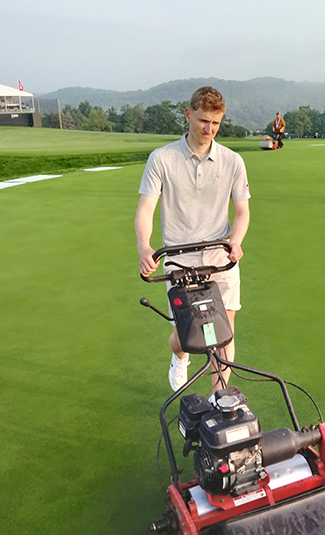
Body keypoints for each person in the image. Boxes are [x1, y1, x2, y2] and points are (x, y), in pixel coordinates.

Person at [135, 86, 251, 392]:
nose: (209, 129)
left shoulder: (233, 161)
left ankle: (219, 399)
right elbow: (146, 209)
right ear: (188, 115)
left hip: (219, 257)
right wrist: (144, 245)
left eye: (215, 123)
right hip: (179, 258)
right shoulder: (162, 159)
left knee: (223, 332)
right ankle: (180, 356)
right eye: (203, 121)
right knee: (186, 336)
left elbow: (242, 212)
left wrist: (236, 242)